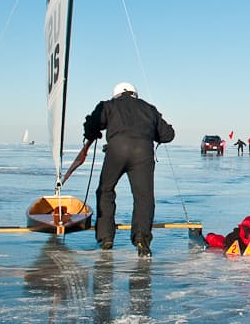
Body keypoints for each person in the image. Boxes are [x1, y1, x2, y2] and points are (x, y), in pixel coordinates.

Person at [62, 81, 175, 257]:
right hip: (143, 152)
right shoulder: (149, 108)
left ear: (116, 94)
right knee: (144, 197)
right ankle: (142, 240)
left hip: (117, 150)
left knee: (105, 190)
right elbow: (168, 134)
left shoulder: (109, 105)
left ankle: (106, 237)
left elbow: (92, 123)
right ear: (134, 93)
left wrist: (93, 133)